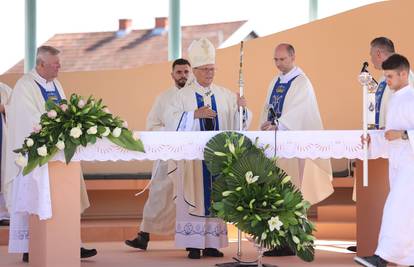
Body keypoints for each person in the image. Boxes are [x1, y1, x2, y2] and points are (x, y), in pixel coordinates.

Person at [4, 46, 96, 261]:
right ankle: (30, 245)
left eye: (59, 64)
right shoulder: (25, 85)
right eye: (55, 64)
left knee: (62, 197)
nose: (59, 68)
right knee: (33, 196)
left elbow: (64, 109)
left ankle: (72, 242)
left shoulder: (56, 83)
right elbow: (27, 117)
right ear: (41, 64)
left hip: (58, 152)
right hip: (34, 154)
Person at [165, 38, 251, 259]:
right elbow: (170, 121)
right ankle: (193, 244)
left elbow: (239, 123)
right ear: (195, 70)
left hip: (217, 159)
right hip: (192, 160)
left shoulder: (224, 94)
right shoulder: (181, 96)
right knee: (194, 194)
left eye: (212, 69)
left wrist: (242, 109)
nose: (210, 73)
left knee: (216, 196)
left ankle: (212, 243)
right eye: (205, 69)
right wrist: (194, 114)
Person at [259, 43, 333, 256]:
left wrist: (280, 124)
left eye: (282, 59)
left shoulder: (302, 82)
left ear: (292, 57)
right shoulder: (275, 81)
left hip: (293, 146)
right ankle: (282, 240)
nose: (278, 63)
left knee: (293, 192)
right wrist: (266, 122)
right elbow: (268, 106)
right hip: (277, 147)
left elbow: (301, 112)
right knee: (277, 191)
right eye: (275, 60)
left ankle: (297, 241)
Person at [125, 58, 191, 250]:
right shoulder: (163, 98)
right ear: (172, 75)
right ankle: (143, 235)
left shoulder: (197, 95)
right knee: (158, 194)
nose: (183, 76)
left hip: (190, 155)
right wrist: (171, 132)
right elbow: (152, 124)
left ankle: (190, 238)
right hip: (168, 152)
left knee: (190, 195)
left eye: (186, 72)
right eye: (179, 72)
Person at [354, 54, 414, 267]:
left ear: (403, 74)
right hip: (398, 163)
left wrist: (403, 135)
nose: (386, 81)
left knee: (395, 208)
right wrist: (374, 139)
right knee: (406, 213)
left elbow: (401, 133)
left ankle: (382, 258)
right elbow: (391, 134)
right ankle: (407, 257)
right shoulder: (395, 98)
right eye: (385, 76)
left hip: (411, 165)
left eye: (390, 76)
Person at [0, 82, 12, 226]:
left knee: (3, 173)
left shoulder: (4, 88)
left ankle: (3, 213)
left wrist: (4, 108)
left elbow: (17, 108)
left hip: (2, 135)